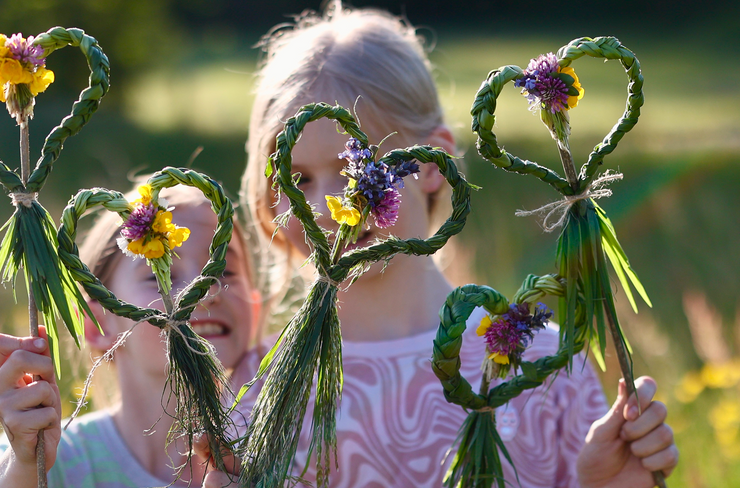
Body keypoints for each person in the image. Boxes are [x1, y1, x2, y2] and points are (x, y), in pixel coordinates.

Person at [204, 4, 679, 488]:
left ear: (433, 163)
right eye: (298, 177)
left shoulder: (543, 363)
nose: (325, 207)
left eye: (354, 169)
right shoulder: (256, 393)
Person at [0, 184, 261, 487]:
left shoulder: (288, 449)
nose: (204, 291)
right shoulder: (50, 457)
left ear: (255, 309)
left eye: (223, 270)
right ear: (99, 325)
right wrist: (24, 464)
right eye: (158, 275)